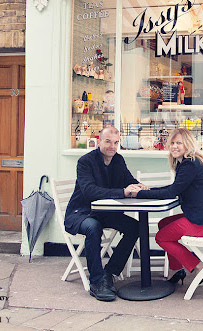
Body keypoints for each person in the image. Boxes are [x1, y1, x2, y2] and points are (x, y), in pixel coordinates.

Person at [128, 128, 203, 285]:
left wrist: (139, 194)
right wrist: (147, 190)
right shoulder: (188, 163)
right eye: (172, 143)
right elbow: (174, 188)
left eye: (179, 143)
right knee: (164, 224)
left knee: (161, 237)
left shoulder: (190, 164)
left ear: (187, 145)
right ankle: (177, 269)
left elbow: (172, 192)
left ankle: (198, 266)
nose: (174, 146)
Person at [64, 126, 146, 302]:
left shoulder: (118, 160)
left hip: (105, 212)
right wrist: (123, 192)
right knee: (94, 227)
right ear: (99, 141)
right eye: (108, 141)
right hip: (81, 213)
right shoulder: (85, 162)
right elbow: (89, 192)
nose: (112, 146)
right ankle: (96, 282)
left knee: (135, 227)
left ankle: (109, 273)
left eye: (116, 143)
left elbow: (128, 180)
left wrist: (138, 186)